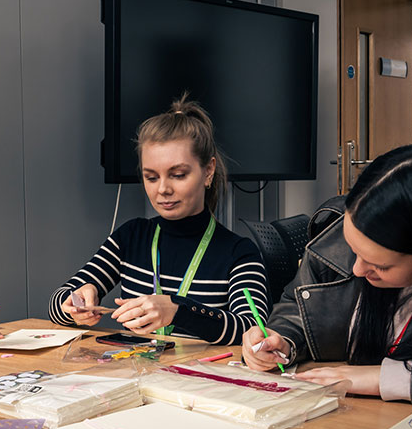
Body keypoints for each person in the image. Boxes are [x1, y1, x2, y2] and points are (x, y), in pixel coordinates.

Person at [48, 95, 270, 344]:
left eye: (177, 175)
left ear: (208, 171)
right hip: (137, 376)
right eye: (151, 177)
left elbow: (254, 331)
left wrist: (177, 311)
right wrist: (76, 304)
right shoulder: (131, 236)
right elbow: (57, 304)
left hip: (200, 380)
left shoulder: (239, 253)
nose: (162, 189)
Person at [242, 145, 412, 407]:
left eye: (379, 265)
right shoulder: (332, 240)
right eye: (353, 251)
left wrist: (384, 378)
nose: (357, 270)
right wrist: (281, 341)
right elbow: (296, 309)